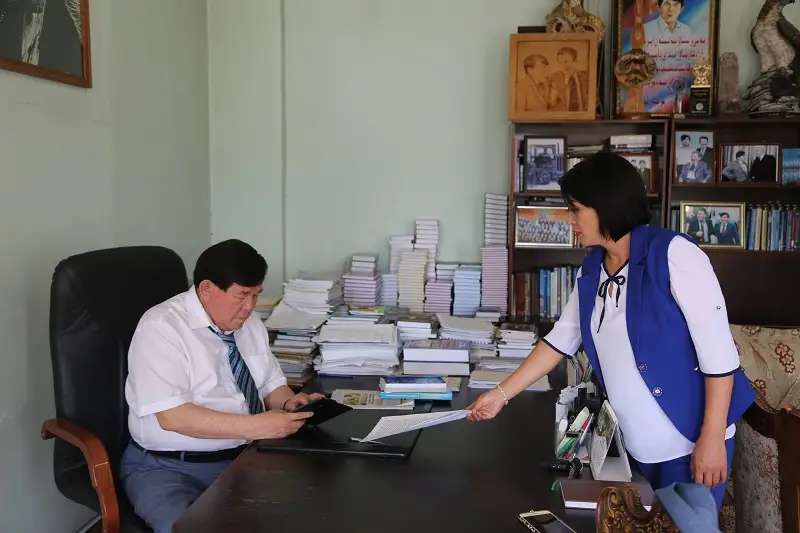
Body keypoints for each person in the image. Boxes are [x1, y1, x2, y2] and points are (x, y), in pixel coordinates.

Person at [467, 152, 755, 511]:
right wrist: (500, 395)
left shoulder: (675, 255)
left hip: (688, 445)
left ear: (606, 204)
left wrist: (711, 437)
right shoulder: (592, 269)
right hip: (634, 449)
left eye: (575, 209)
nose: (569, 219)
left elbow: (719, 355)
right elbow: (559, 341)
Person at [121, 239, 322, 533]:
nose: (250, 307)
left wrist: (288, 404)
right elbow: (173, 417)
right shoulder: (161, 327)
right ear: (206, 288)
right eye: (241, 295)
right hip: (170, 468)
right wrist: (258, 426)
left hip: (244, 459)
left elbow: (270, 385)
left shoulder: (249, 324)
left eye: (256, 295)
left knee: (313, 512)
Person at [549, 46, 590, 112]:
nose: (563, 66)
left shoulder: (586, 77)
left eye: (566, 62)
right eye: (560, 62)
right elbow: (549, 105)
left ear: (575, 61)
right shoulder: (553, 79)